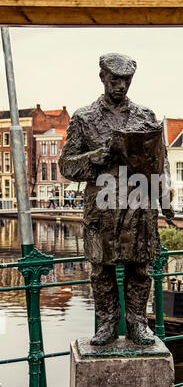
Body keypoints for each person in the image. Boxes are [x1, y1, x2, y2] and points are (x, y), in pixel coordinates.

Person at [59, 52, 173, 346]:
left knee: (139, 268)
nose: (121, 86)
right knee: (101, 268)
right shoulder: (84, 118)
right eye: (114, 80)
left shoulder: (145, 116)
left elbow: (161, 159)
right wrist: (96, 156)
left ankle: (138, 324)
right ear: (102, 78)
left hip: (139, 203)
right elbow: (67, 166)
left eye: (126, 81)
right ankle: (107, 324)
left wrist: (166, 196)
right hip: (102, 206)